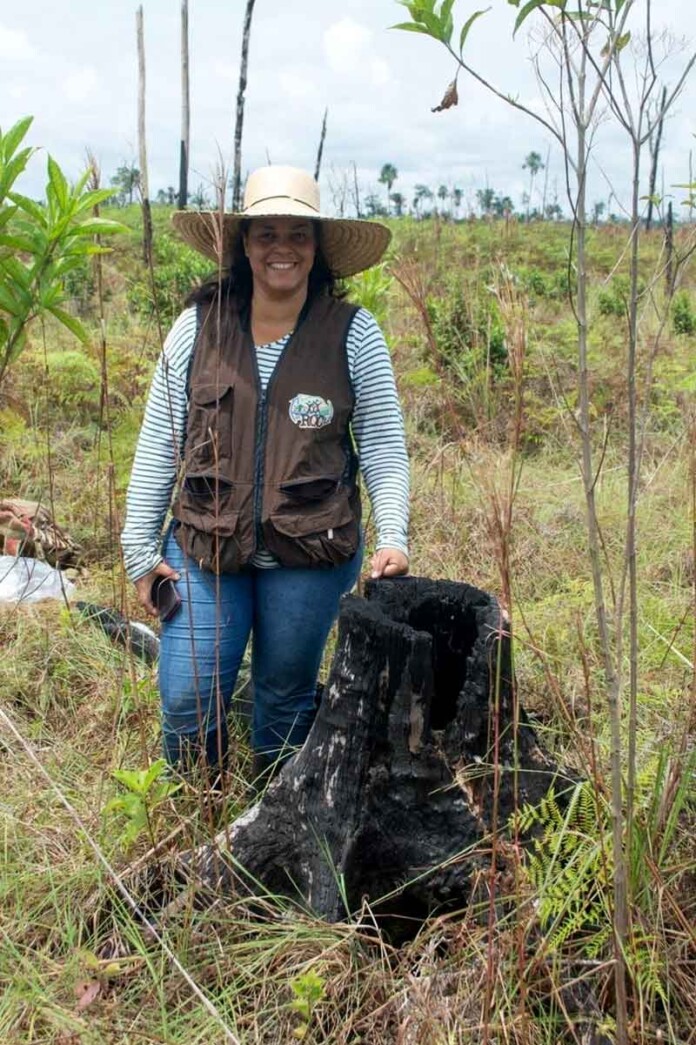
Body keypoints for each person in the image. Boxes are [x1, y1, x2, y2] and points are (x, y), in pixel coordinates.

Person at [120, 165, 409, 786]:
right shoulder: (198, 326)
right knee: (188, 697)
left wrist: (392, 536)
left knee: (284, 697)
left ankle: (271, 819)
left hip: (312, 554)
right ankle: (191, 815)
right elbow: (159, 442)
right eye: (266, 233)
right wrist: (139, 552)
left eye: (298, 234)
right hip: (205, 546)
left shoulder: (352, 333)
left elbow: (384, 444)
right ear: (243, 244)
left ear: (317, 247)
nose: (282, 249)